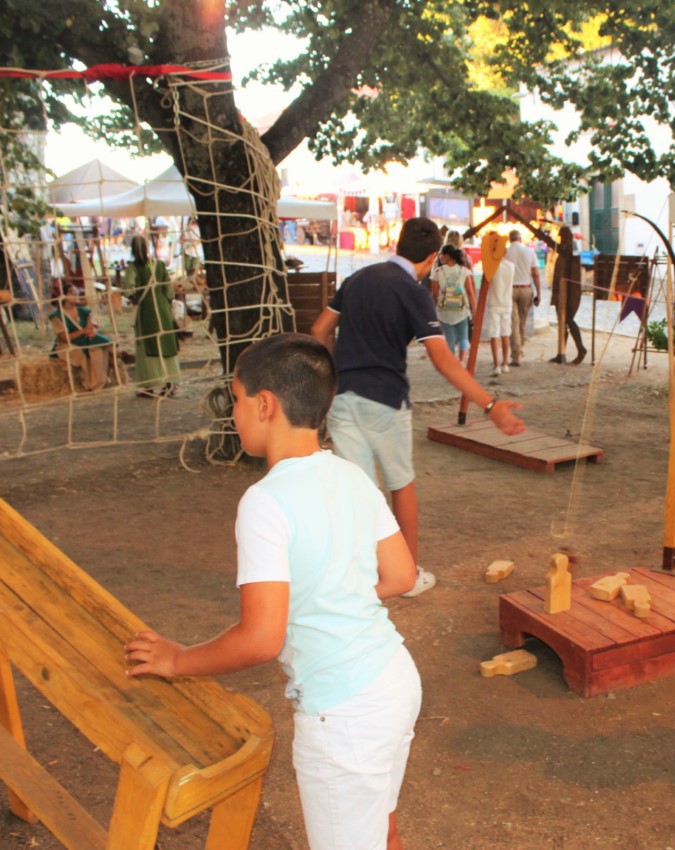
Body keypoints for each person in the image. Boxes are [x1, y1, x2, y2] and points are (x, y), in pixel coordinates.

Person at [124, 334, 422, 850]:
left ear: (265, 405)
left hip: (344, 713)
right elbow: (401, 576)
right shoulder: (351, 476)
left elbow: (262, 638)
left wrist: (179, 659)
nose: (233, 411)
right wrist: (336, 594)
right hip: (394, 682)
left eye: (236, 398)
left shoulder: (264, 502)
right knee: (382, 828)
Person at [311, 217, 525, 598]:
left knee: (358, 492)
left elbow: (318, 332)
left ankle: (359, 574)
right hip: (386, 401)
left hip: (342, 398)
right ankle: (405, 575)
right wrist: (489, 405)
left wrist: (335, 372)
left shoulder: (357, 279)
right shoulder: (413, 291)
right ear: (431, 257)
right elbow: (443, 360)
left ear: (398, 243)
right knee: (400, 485)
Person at [122, 235, 181, 398]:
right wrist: (166, 302)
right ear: (148, 247)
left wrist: (135, 297)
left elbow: (128, 289)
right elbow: (169, 290)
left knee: (146, 347)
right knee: (166, 344)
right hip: (162, 310)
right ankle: (169, 383)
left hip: (146, 311)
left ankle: (147, 385)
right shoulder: (158, 264)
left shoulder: (133, 268)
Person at [50, 286, 125, 392]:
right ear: (63, 295)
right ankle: (115, 352)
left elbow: (92, 327)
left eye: (77, 292)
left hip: (86, 340)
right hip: (68, 345)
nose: (76, 294)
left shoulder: (84, 311)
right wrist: (83, 331)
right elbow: (64, 338)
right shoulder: (57, 316)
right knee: (93, 346)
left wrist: (91, 329)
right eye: (72, 292)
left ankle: (100, 381)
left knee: (96, 346)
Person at [547, 225, 587, 365]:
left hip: (568, 293)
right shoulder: (566, 251)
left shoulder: (567, 251)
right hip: (562, 292)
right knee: (563, 323)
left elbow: (552, 244)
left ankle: (581, 349)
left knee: (568, 320)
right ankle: (561, 353)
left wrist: (541, 234)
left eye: (561, 236)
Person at [429, 245, 476, 360]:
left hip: (444, 311)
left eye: (441, 255)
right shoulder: (464, 271)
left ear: (447, 256)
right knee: (463, 337)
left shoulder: (438, 272)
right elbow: (470, 292)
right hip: (462, 310)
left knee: (449, 339)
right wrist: (474, 309)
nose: (440, 257)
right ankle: (462, 361)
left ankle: (451, 362)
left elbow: (435, 294)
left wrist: (435, 308)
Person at [504, 230, 540, 366]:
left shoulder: (506, 252)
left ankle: (516, 356)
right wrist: (539, 293)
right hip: (526, 289)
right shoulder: (530, 252)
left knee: (514, 323)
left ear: (509, 239)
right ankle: (520, 348)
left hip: (510, 290)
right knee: (522, 321)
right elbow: (536, 273)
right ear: (520, 239)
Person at [483, 256, 515, 376]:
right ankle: (505, 363)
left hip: (494, 303)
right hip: (507, 303)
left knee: (494, 335)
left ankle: (496, 365)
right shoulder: (511, 266)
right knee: (506, 333)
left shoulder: (492, 267)